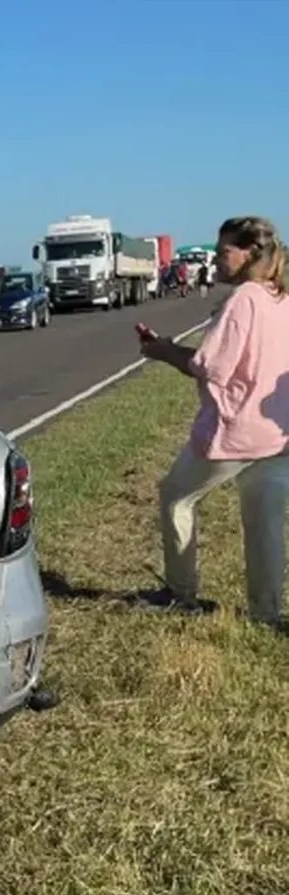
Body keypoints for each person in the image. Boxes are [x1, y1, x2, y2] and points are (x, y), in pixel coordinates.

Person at [138, 216, 289, 626]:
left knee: (176, 497)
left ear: (250, 254)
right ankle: (266, 613)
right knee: (265, 525)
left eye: (224, 252)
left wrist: (163, 351)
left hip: (235, 430)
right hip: (277, 433)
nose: (218, 261)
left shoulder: (243, 299)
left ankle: (181, 592)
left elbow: (210, 367)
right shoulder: (281, 296)